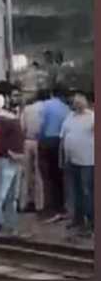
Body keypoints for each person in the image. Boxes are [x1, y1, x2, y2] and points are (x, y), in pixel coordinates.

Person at [0, 91, 25, 242]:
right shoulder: (8, 120)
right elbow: (1, 142)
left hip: (7, 160)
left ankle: (9, 227)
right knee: (4, 197)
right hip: (9, 161)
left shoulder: (0, 119)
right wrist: (12, 153)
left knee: (7, 197)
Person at [60, 94, 94, 237]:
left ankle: (91, 222)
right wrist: (62, 157)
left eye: (79, 103)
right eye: (75, 103)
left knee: (88, 193)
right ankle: (78, 219)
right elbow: (63, 137)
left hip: (88, 161)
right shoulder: (70, 117)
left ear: (85, 104)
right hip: (71, 160)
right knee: (75, 192)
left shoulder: (92, 117)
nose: (77, 106)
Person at [38, 85, 70, 223]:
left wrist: (39, 137)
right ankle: (61, 207)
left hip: (46, 142)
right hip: (60, 143)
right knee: (59, 175)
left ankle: (49, 209)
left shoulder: (45, 105)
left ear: (52, 93)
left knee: (47, 176)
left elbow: (41, 124)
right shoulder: (66, 108)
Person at [18, 89, 48, 213]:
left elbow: (22, 127)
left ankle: (24, 203)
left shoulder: (28, 109)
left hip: (27, 141)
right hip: (40, 142)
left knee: (26, 174)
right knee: (39, 174)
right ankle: (39, 205)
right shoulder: (46, 109)